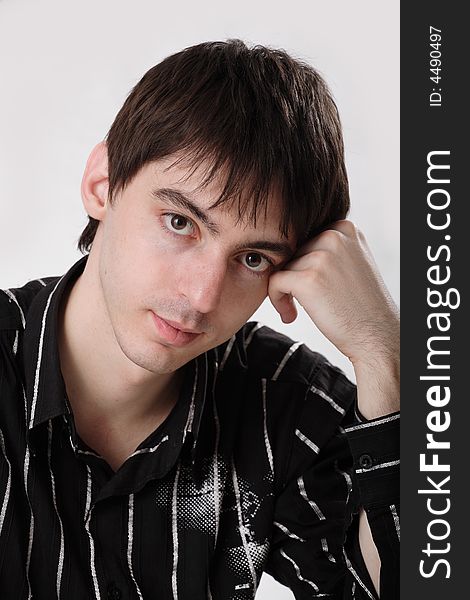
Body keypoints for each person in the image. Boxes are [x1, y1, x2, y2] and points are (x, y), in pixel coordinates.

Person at [0, 39, 399, 599]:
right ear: (102, 185)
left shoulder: (284, 407)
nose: (203, 295)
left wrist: (387, 357)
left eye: (252, 258)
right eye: (180, 223)